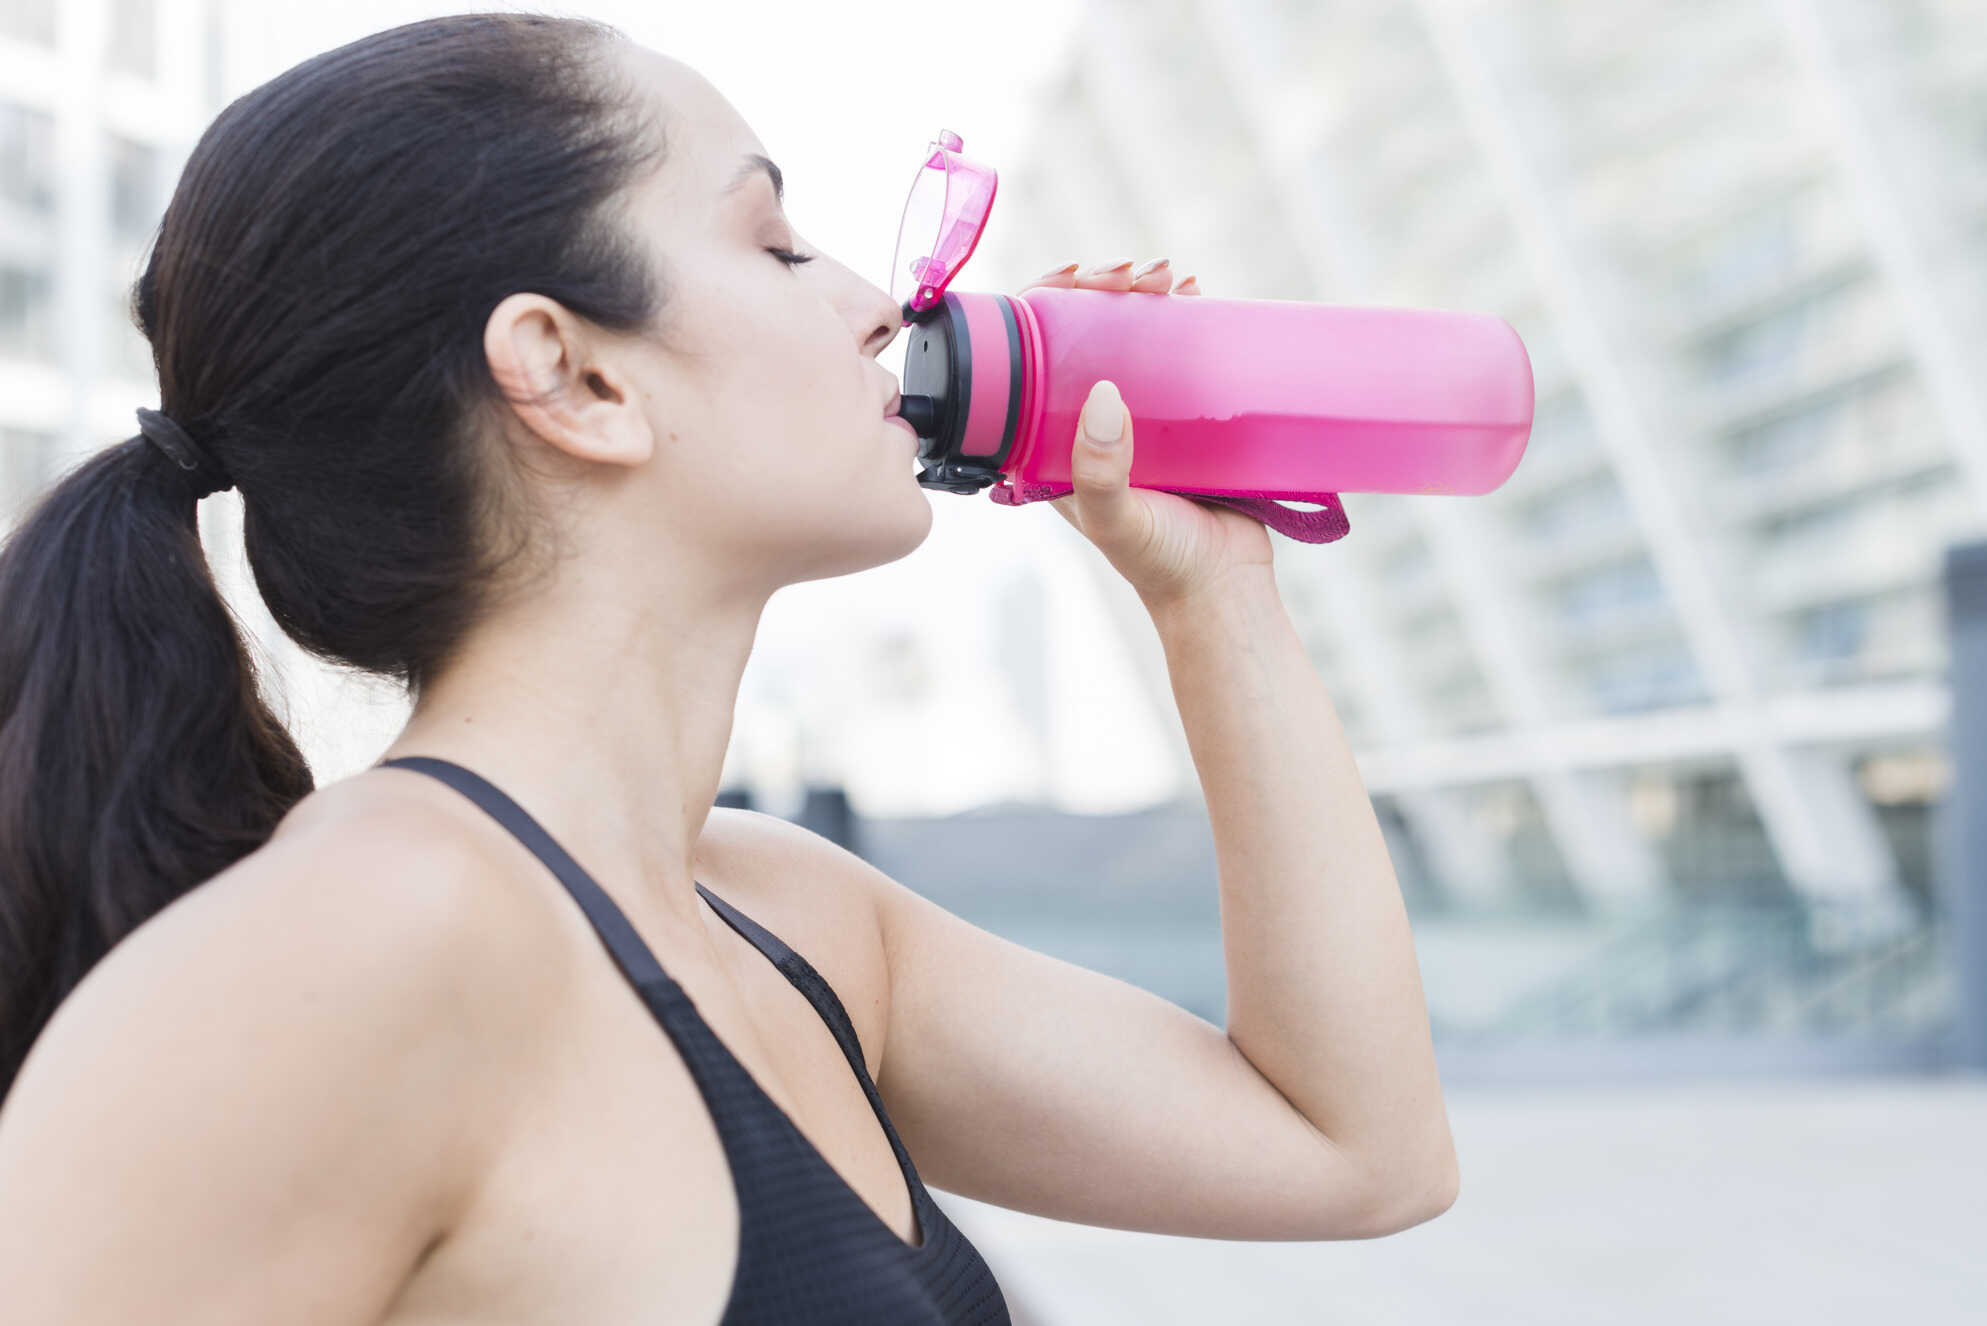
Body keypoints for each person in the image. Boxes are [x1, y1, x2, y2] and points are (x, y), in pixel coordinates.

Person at [0, 12, 1458, 1323]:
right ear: (576, 377)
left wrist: (1212, 595)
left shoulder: (788, 919)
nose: (880, 302)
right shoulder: (350, 957)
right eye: (774, 244)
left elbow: (1353, 1150)